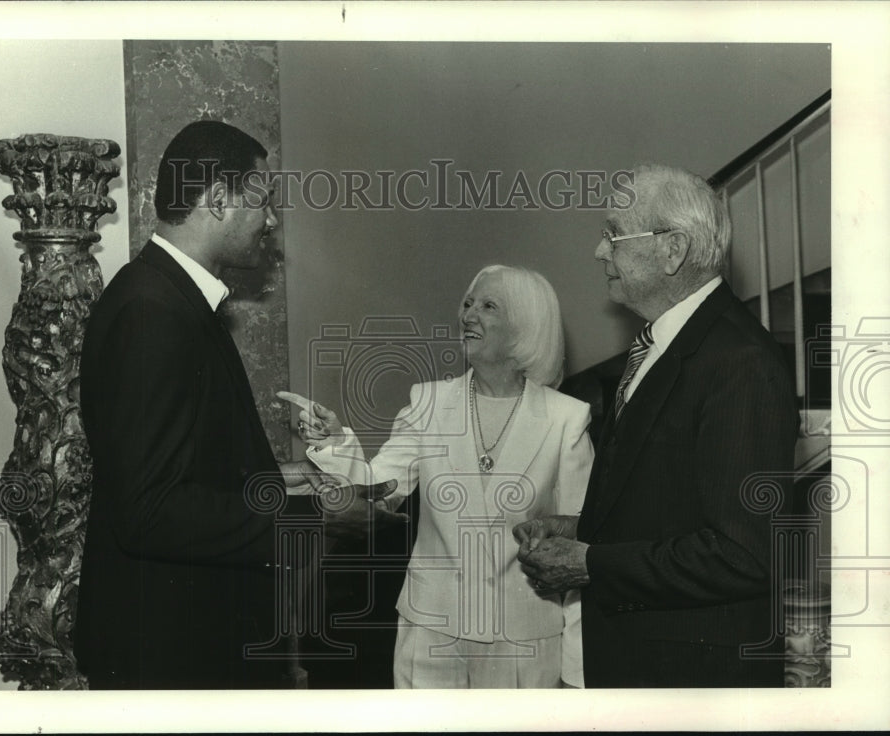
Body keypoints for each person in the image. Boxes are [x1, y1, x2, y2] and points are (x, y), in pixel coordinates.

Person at [74, 120, 397, 689]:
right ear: (218, 199)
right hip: (171, 657)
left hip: (186, 642)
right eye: (263, 199)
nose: (271, 220)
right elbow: (149, 513)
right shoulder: (153, 311)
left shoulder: (171, 298)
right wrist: (314, 516)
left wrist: (289, 479)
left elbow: (186, 470)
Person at [515, 163, 800, 687]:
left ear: (673, 250)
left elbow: (743, 553)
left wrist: (592, 563)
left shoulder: (740, 362)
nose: (600, 252)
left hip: (692, 680)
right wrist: (582, 528)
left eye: (613, 235)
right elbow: (676, 501)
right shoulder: (666, 344)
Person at [299, 265, 594, 688]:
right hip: (431, 635)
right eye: (468, 303)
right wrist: (334, 443)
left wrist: (576, 670)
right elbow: (379, 487)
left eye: (488, 306)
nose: (469, 315)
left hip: (524, 645)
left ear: (526, 325)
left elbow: (579, 546)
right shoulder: (428, 402)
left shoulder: (567, 419)